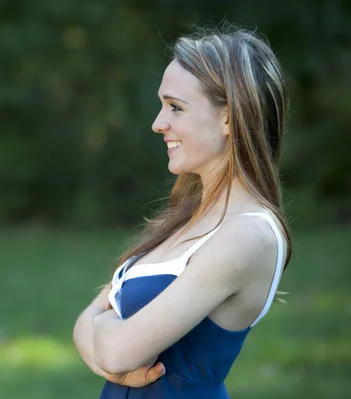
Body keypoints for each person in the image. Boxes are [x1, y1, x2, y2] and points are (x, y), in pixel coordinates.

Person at [73, 25, 293, 398]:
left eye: (175, 107)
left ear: (229, 117)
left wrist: (105, 337)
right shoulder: (182, 220)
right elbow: (84, 323)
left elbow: (117, 351)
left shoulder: (248, 234)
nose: (159, 123)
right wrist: (105, 346)